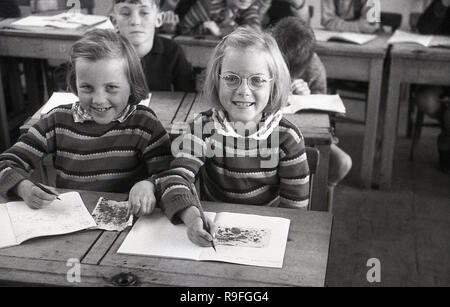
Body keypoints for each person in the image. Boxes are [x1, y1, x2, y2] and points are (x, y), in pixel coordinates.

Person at [158, 27, 310, 247]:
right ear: (216, 80)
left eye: (257, 80)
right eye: (231, 78)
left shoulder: (287, 137)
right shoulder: (203, 127)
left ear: (273, 84)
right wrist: (192, 218)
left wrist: (275, 240)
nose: (243, 90)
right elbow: (176, 178)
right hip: (213, 232)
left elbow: (295, 210)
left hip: (266, 232)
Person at [0, 29, 172, 217]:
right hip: (72, 221)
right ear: (75, 84)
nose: (98, 99)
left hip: (129, 224)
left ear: (132, 84)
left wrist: (148, 185)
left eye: (111, 87)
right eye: (87, 87)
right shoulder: (57, 121)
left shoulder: (145, 124)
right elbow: (6, 163)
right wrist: (23, 187)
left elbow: (169, 176)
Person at [272, 16, 352, 203]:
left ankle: (318, 198)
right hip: (267, 132)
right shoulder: (262, 56)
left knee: (342, 163)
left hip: (305, 133)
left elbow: (322, 115)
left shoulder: (313, 66)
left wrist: (307, 98)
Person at [111, 0, 195, 92]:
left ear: (159, 19)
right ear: (114, 21)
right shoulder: (104, 54)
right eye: (125, 14)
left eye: (144, 13)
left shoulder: (172, 52)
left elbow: (188, 96)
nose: (135, 21)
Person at [414, 0, 450, 173]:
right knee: (426, 100)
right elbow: (424, 28)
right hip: (438, 76)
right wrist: (442, 4)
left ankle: (446, 140)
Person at [178, 0, 268, 37]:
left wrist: (220, 31)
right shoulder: (209, 4)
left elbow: (256, 32)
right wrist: (204, 26)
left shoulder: (247, 4)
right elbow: (183, 30)